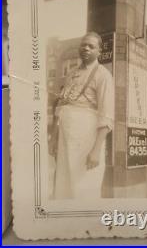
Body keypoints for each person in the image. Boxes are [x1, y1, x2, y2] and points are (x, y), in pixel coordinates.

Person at [52, 32, 114, 199]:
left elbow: (107, 115)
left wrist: (96, 150)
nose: (86, 48)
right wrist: (53, 138)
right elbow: (61, 105)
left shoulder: (103, 75)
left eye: (91, 46)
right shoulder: (71, 73)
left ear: (99, 51)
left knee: (84, 185)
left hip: (87, 136)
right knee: (64, 182)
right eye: (83, 45)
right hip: (66, 135)